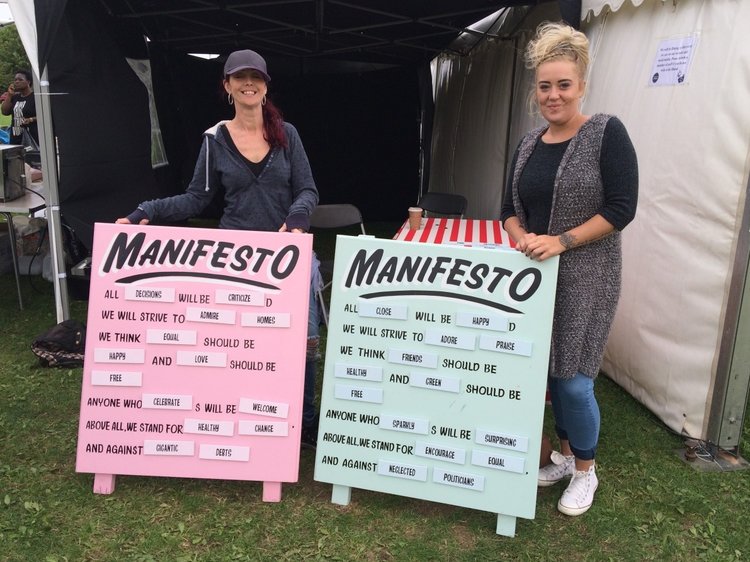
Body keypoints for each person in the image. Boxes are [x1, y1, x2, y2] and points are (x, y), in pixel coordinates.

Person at [117, 49, 322, 449]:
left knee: (305, 340)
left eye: (256, 77)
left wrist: (297, 216)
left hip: (286, 257)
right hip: (233, 260)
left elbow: (307, 189)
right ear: (227, 86)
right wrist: (149, 210)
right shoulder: (215, 139)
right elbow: (196, 198)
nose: (249, 84)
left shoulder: (287, 134)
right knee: (239, 347)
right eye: (240, 77)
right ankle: (245, 417)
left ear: (265, 85)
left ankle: (305, 422)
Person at [500, 22, 638, 516]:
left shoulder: (606, 133)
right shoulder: (528, 144)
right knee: (546, 376)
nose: (553, 95)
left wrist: (560, 241)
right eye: (544, 85)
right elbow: (508, 212)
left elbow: (622, 208)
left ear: (581, 85)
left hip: (589, 277)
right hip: (536, 278)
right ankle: (562, 457)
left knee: (575, 380)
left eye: (563, 84)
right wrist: (525, 240)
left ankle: (586, 471)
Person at [1, 70, 38, 147]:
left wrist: (31, 119)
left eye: (20, 80)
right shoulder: (15, 97)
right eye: (15, 80)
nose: (17, 82)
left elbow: (44, 116)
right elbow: (5, 112)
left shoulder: (35, 97)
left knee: (31, 157)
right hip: (15, 137)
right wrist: (9, 95)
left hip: (31, 137)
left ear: (28, 82)